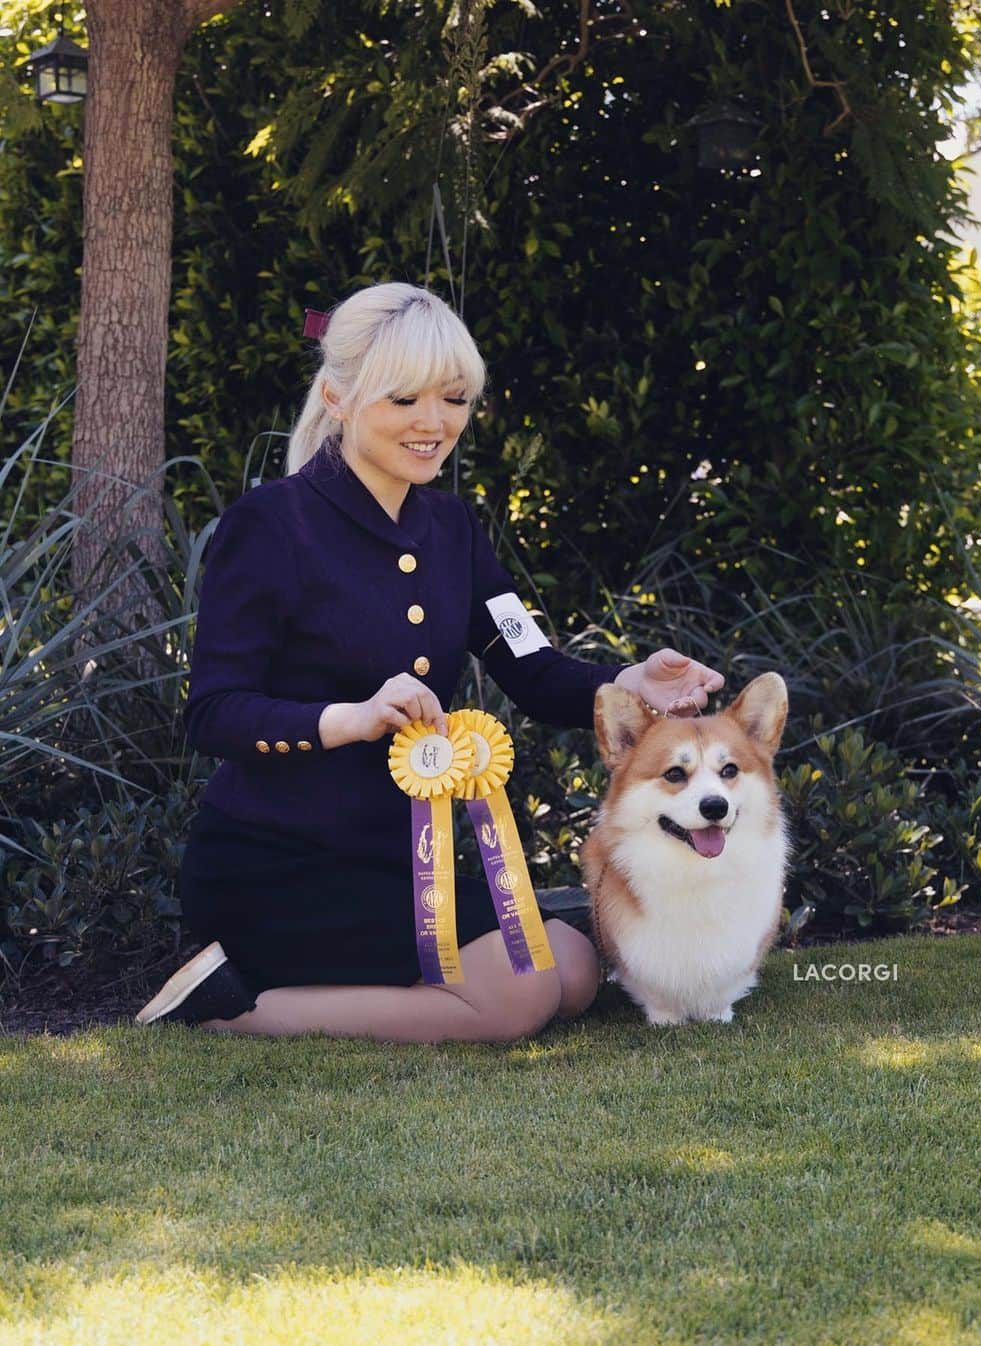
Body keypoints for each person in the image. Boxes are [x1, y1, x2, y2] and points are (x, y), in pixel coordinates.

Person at [136, 282, 725, 1043]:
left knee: (573, 973)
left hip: (398, 864)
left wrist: (628, 685)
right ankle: (223, 1006)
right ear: (338, 399)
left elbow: (531, 665)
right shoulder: (268, 525)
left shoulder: (452, 527)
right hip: (278, 866)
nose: (433, 423)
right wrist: (344, 721)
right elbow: (213, 713)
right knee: (517, 1000)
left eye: (453, 399)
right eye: (404, 399)